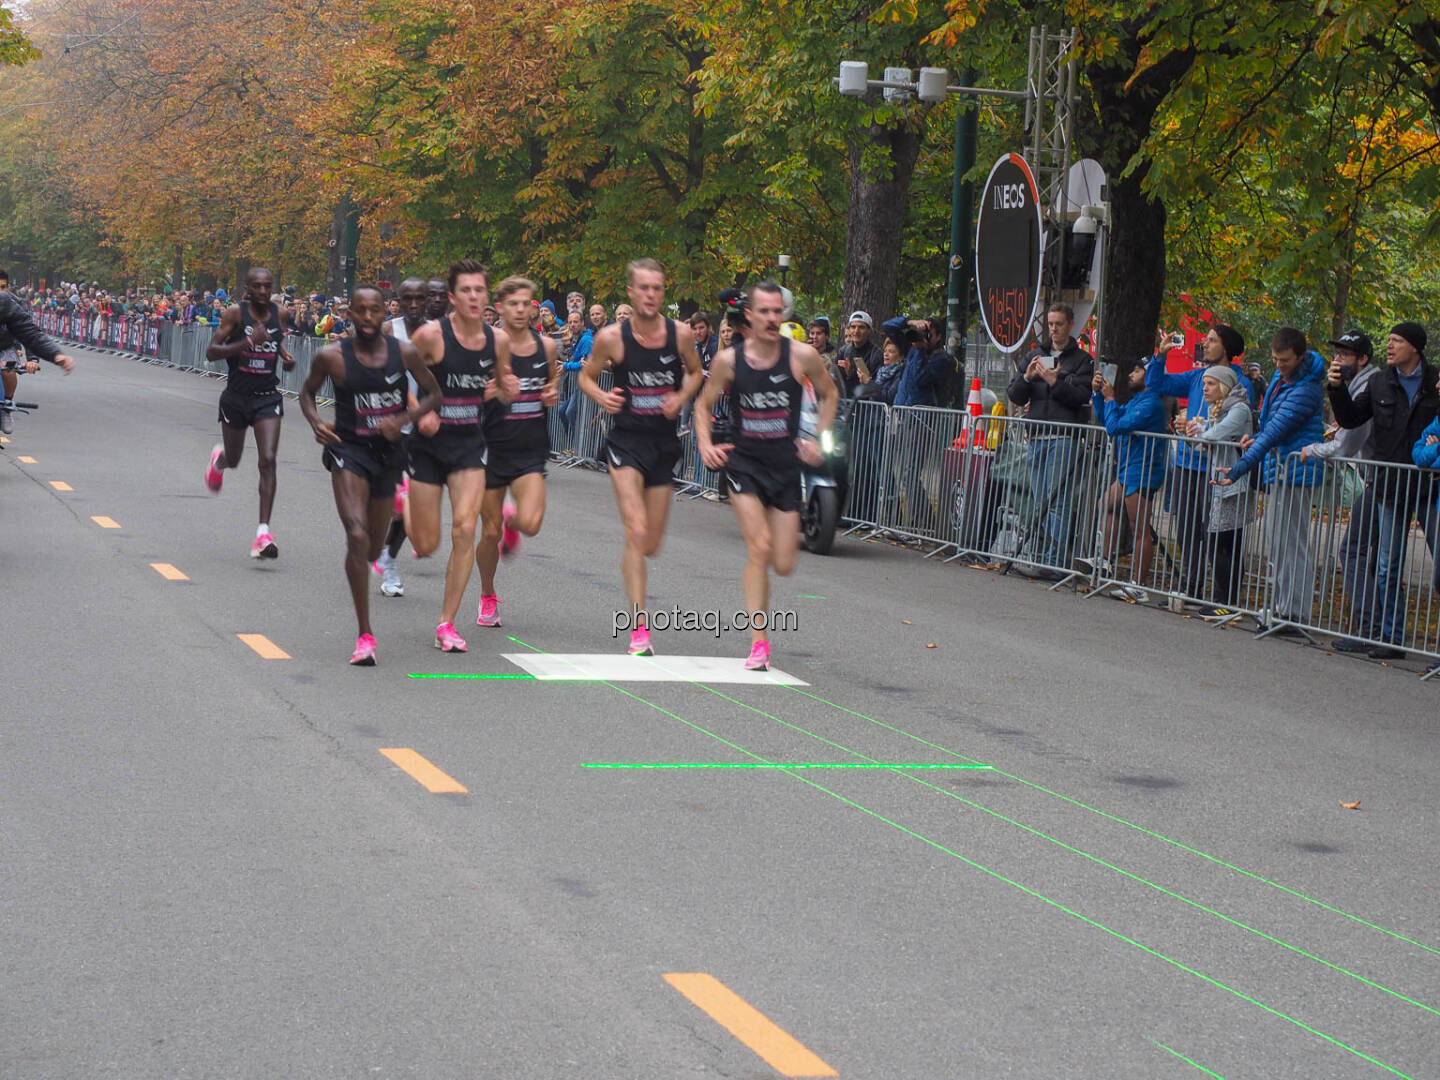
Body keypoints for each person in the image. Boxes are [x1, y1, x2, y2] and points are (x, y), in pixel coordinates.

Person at [299, 285, 442, 665]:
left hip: (388, 454)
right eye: (359, 311)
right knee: (357, 534)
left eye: (374, 310)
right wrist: (315, 423)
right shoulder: (332, 357)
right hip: (348, 450)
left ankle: (378, 560)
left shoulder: (404, 352)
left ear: (384, 313)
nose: (366, 317)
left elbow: (433, 394)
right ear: (349, 314)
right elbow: (306, 393)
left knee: (374, 544)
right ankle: (365, 634)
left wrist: (404, 419)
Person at [696, 282, 836, 670]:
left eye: (778, 312)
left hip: (785, 467)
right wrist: (706, 445)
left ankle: (761, 624)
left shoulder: (802, 356)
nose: (773, 319)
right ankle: (759, 643)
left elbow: (829, 395)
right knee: (758, 547)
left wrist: (820, 441)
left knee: (785, 562)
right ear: (750, 316)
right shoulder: (730, 361)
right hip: (744, 463)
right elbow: (703, 405)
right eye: (765, 312)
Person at [580, 258, 704, 656]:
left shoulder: (680, 334)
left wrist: (682, 397)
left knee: (649, 543)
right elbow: (585, 375)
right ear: (631, 293)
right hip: (626, 441)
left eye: (658, 288)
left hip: (663, 444)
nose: (651, 295)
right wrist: (603, 396)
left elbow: (698, 373)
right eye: (644, 288)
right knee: (635, 531)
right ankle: (639, 629)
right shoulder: (612, 338)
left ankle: (634, 568)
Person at [405, 260, 518, 652]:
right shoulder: (432, 336)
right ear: (452, 297)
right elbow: (395, 370)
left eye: (480, 290)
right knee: (426, 542)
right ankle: (405, 501)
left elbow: (501, 387)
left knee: (465, 528)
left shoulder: (497, 341)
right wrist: (420, 412)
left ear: (488, 296)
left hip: (469, 442)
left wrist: (508, 389)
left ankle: (446, 623)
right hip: (429, 445)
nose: (474, 297)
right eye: (466, 290)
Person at [1330, 322, 1439, 657]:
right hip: (1390, 486)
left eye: (1397, 341)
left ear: (1415, 348)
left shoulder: (1435, 382)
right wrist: (1336, 389)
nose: (1389, 347)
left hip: (1430, 486)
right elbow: (1351, 419)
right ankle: (1391, 639)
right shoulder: (1380, 382)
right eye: (1389, 341)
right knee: (1387, 566)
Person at [1214, 328, 1326, 634]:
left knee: (1293, 544)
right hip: (1281, 468)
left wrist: (1239, 469)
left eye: (1285, 360)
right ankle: (1281, 607)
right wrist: (1258, 436)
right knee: (1277, 543)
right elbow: (1269, 425)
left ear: (1300, 356)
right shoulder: (1281, 378)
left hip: (1297, 472)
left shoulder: (1307, 389)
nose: (1279, 365)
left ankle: (1294, 612)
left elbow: (1278, 430)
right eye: (1275, 359)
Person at [1144, 324, 1254, 601]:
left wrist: (1196, 427)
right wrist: (1161, 356)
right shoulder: (1197, 376)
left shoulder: (1241, 384)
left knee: (1220, 534)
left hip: (1218, 468)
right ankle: (1190, 587)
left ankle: (1224, 597)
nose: (1204, 343)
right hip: (1186, 463)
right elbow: (1157, 383)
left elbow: (1238, 424)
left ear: (1226, 349)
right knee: (1186, 529)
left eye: (1212, 340)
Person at [475, 276, 561, 628]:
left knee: (532, 524)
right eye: (514, 304)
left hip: (529, 449)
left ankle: (514, 520)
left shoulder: (547, 347)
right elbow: (463, 396)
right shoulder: (485, 347)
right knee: (489, 533)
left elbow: (553, 379)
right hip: (489, 450)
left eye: (527, 303)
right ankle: (487, 595)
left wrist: (552, 391)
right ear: (499, 308)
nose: (522, 309)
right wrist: (489, 393)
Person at [203, 267, 296, 558]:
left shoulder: (279, 313)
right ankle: (219, 463)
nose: (264, 292)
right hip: (236, 398)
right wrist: (247, 343)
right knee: (235, 459)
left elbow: (276, 337)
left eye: (268, 286)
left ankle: (263, 532)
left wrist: (284, 355)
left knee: (268, 460)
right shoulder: (234, 314)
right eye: (257, 286)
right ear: (247, 288)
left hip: (267, 397)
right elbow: (211, 352)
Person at [1006, 303, 1095, 571]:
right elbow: (1015, 394)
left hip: (1063, 436)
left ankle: (1053, 561)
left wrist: (1056, 382)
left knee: (1057, 501)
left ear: (1070, 325)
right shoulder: (1036, 354)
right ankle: (1043, 555)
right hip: (1036, 435)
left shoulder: (1082, 360)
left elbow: (1081, 397)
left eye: (1059, 324)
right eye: (1051, 324)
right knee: (1041, 500)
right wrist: (1027, 376)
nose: (1054, 329)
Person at [1302, 331, 1378, 643]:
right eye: (1336, 353)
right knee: (1377, 556)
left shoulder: (1369, 386)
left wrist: (1312, 450)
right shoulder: (1355, 384)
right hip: (1378, 478)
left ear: (1363, 359)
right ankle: (1378, 629)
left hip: (1385, 480)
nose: (1338, 359)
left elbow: (1346, 445)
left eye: (1346, 354)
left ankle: (1369, 629)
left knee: (1353, 550)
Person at [1087, 361, 1168, 601]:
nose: (1130, 375)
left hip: (1143, 470)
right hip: (1128, 469)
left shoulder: (1152, 402)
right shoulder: (1136, 401)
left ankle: (1138, 585)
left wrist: (1111, 399)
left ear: (1149, 375)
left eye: (1136, 371)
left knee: (1139, 528)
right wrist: (1099, 396)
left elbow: (1115, 427)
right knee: (1106, 505)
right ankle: (1103, 561)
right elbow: (1107, 420)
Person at [371, 277, 431, 598]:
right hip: (390, 425)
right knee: (393, 503)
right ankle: (379, 550)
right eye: (406, 298)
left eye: (419, 298)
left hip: (424, 430)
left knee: (414, 506)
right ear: (399, 300)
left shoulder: (436, 332)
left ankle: (389, 558)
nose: (412, 304)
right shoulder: (389, 331)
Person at [1191, 366, 1256, 616]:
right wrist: (1196, 433)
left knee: (1219, 541)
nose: (1205, 389)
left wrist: (1200, 433)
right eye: (1204, 383)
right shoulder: (1216, 409)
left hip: (1234, 484)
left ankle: (1224, 600)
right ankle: (1225, 599)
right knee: (1225, 541)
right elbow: (1204, 445)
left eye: (1211, 384)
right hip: (1221, 481)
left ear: (1224, 386)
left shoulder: (1238, 409)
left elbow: (1215, 435)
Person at [0, 269, 75, 433]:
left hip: (5, 345)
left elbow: (29, 333)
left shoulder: (7, 302)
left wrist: (55, 355)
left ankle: (6, 406)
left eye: (3, 287)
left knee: (8, 369)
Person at [834, 311, 881, 397]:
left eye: (861, 327)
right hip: (846, 403)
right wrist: (848, 374)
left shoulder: (876, 354)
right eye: (853, 327)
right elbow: (836, 381)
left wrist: (868, 381)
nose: (856, 331)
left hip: (867, 406)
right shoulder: (843, 351)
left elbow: (879, 387)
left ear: (869, 330)